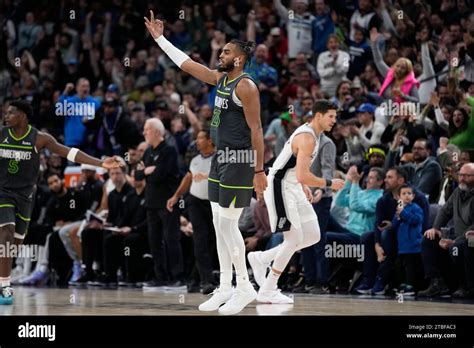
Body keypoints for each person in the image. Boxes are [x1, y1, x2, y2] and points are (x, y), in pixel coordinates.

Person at [145, 11, 267, 315]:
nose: (221, 54)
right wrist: (160, 39)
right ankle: (225, 285)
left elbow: (257, 129)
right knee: (217, 223)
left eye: (226, 51)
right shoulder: (220, 78)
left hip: (239, 159)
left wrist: (259, 170)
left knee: (228, 224)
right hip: (219, 157)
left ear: (239, 58)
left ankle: (245, 286)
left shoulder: (245, 86)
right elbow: (188, 65)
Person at [0, 100, 123, 305]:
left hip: (25, 197)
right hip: (3, 193)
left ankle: (5, 272)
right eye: (5, 113)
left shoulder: (39, 138)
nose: (6, 116)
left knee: (15, 243)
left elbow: (69, 152)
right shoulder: (1, 134)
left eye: (11, 113)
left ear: (23, 115)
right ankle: (5, 285)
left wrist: (101, 163)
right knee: (6, 231)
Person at [247, 100, 344, 303]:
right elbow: (300, 174)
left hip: (294, 185)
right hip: (280, 186)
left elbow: (297, 169)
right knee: (293, 239)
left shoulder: (314, 135)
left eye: (335, 117)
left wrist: (304, 185)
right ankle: (268, 288)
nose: (334, 121)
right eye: (331, 116)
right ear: (318, 116)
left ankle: (262, 258)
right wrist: (328, 182)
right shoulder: (307, 138)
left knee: (313, 235)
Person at [166, 129, 217, 295]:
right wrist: (176, 196)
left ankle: (195, 278)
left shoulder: (219, 158)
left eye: (200, 138)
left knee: (212, 242)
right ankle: (206, 281)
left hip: (215, 204)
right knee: (200, 240)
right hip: (195, 202)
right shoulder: (194, 160)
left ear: (210, 140)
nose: (196, 141)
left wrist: (208, 177)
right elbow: (188, 178)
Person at [391, 185, 424, 296]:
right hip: (402, 245)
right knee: (400, 265)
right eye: (403, 194)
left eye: (409, 193)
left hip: (413, 244)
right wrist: (398, 215)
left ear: (413, 196)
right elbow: (394, 225)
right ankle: (403, 284)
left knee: (410, 266)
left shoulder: (416, 208)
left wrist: (403, 213)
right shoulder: (400, 208)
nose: (407, 196)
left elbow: (416, 220)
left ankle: (410, 285)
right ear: (399, 197)